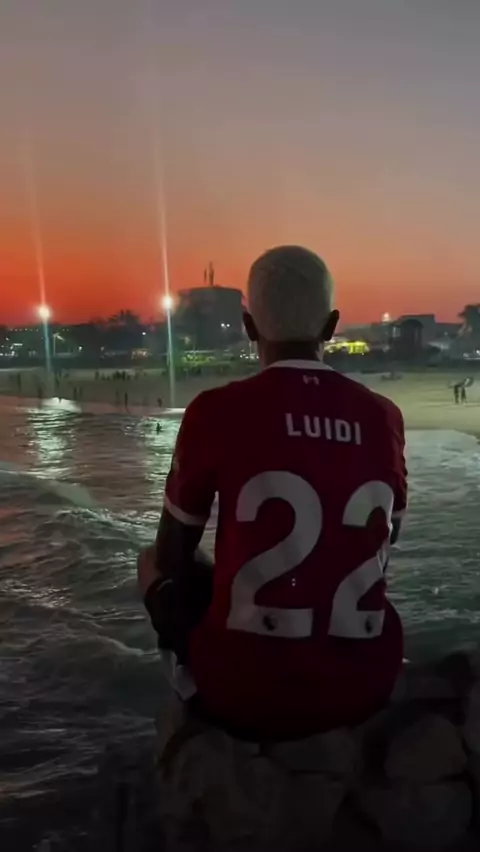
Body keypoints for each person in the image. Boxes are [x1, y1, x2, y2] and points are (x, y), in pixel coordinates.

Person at [138, 245, 407, 741]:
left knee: (150, 561)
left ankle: (194, 691)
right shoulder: (383, 416)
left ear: (248, 327)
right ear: (331, 326)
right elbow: (385, 543)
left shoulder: (216, 411)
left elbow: (172, 553)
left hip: (245, 697)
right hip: (367, 686)